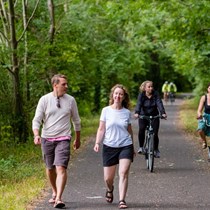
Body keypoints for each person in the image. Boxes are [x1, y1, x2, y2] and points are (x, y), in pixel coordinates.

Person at [32, 74, 81, 209]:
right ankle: (54, 191)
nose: (67, 86)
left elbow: (76, 121)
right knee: (50, 168)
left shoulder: (71, 100)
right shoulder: (45, 100)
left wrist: (78, 138)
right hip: (47, 138)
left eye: (66, 84)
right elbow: (37, 119)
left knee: (61, 167)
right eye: (64, 84)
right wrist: (36, 135)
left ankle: (59, 198)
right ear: (55, 85)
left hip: (63, 138)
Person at [93, 84, 134, 209]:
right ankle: (110, 190)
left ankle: (122, 200)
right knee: (108, 179)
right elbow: (101, 129)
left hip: (125, 145)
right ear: (112, 95)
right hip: (109, 146)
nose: (118, 96)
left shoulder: (127, 113)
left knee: (123, 173)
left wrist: (133, 147)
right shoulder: (106, 110)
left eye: (120, 94)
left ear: (123, 97)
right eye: (116, 93)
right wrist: (97, 143)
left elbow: (130, 130)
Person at [134, 80, 167, 158]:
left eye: (152, 86)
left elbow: (159, 103)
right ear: (145, 88)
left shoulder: (156, 94)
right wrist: (137, 112)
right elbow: (138, 104)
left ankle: (156, 149)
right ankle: (141, 147)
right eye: (149, 87)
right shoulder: (141, 95)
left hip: (154, 115)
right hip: (143, 115)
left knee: (155, 133)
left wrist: (163, 113)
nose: (151, 88)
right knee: (142, 129)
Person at [197, 83, 210, 156]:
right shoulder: (204, 97)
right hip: (205, 117)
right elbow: (199, 110)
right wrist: (199, 114)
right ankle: (204, 141)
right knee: (200, 129)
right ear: (207, 89)